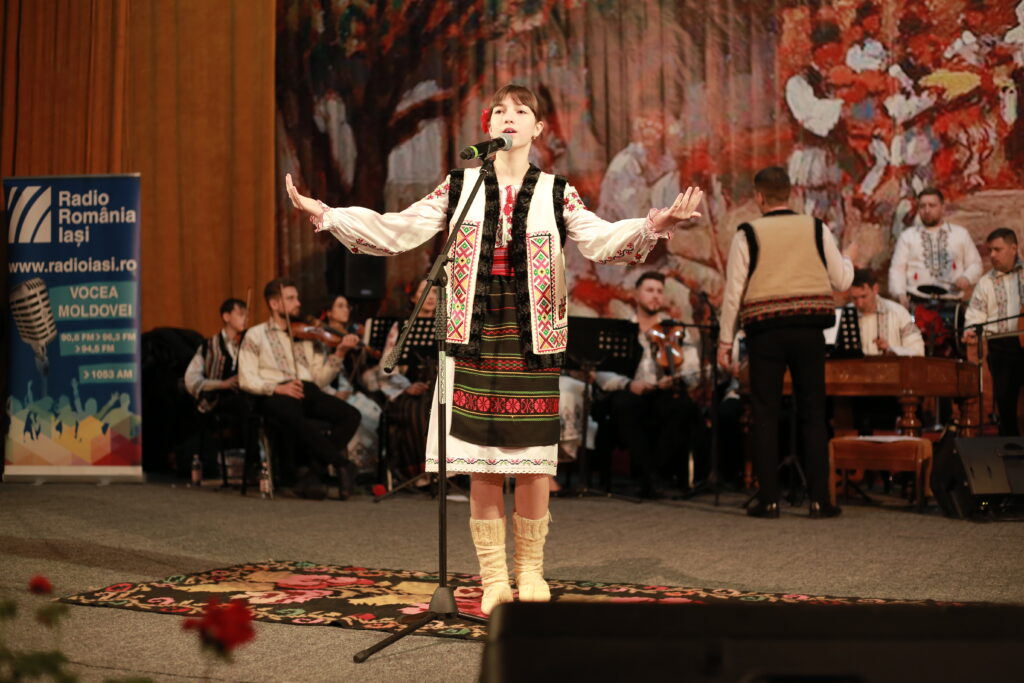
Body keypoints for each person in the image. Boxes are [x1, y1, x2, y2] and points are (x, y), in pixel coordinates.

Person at [285, 84, 703, 614]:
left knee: (532, 463)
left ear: (538, 128)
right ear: (488, 126)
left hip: (532, 337)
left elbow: (600, 240)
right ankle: (493, 577)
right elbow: (398, 230)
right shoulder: (460, 187)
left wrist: (653, 224)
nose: (509, 117)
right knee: (481, 461)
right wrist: (328, 213)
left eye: (521, 111)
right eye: (500, 110)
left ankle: (530, 569)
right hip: (473, 334)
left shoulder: (557, 192)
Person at [717, 166, 854, 519]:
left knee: (765, 412)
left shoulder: (747, 233)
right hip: (810, 331)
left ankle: (770, 499)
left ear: (759, 197)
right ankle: (820, 500)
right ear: (791, 194)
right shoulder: (816, 227)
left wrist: (725, 341)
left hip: (765, 332)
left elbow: (734, 293)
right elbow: (841, 281)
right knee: (813, 412)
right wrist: (848, 260)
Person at [238, 278, 362, 500]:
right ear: (274, 304)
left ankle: (313, 475)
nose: (298, 303)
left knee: (351, 415)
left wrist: (339, 353)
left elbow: (320, 379)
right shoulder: (255, 335)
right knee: (290, 412)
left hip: (307, 389)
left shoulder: (307, 335)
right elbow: (246, 378)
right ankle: (341, 464)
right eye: (291, 298)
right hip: (274, 392)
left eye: (297, 298)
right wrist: (277, 388)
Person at [595, 271, 701, 498]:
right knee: (623, 404)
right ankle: (650, 476)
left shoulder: (675, 330)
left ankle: (655, 474)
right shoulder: (622, 328)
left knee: (684, 407)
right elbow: (602, 372)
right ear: (636, 294)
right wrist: (628, 384)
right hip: (632, 391)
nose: (655, 296)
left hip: (663, 392)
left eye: (659, 291)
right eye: (649, 290)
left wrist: (677, 378)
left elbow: (693, 369)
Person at [963, 228, 1024, 435]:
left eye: (998, 249)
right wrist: (971, 330)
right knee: (1005, 400)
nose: (992, 255)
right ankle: (1010, 444)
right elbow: (976, 314)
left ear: (1013, 248)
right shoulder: (986, 282)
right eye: (990, 250)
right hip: (1001, 345)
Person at [319, 293, 383, 475]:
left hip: (350, 391)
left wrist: (362, 349)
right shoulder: (322, 337)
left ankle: (367, 468)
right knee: (359, 416)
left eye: (347, 306)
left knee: (376, 413)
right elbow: (319, 372)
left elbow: (357, 373)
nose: (345, 310)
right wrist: (333, 393)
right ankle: (346, 467)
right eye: (340, 306)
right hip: (330, 391)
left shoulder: (351, 336)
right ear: (329, 312)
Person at [888, 187, 982, 309]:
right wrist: (900, 293)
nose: (927, 210)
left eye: (932, 206)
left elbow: (975, 264)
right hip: (917, 303)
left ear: (943, 208)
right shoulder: (907, 236)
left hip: (952, 303)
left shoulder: (960, 234)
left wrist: (966, 278)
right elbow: (897, 269)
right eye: (922, 206)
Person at [849, 269, 925, 357]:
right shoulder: (845, 314)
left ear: (875, 289)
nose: (859, 303)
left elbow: (918, 351)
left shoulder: (899, 313)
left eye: (864, 296)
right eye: (854, 298)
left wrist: (891, 350)